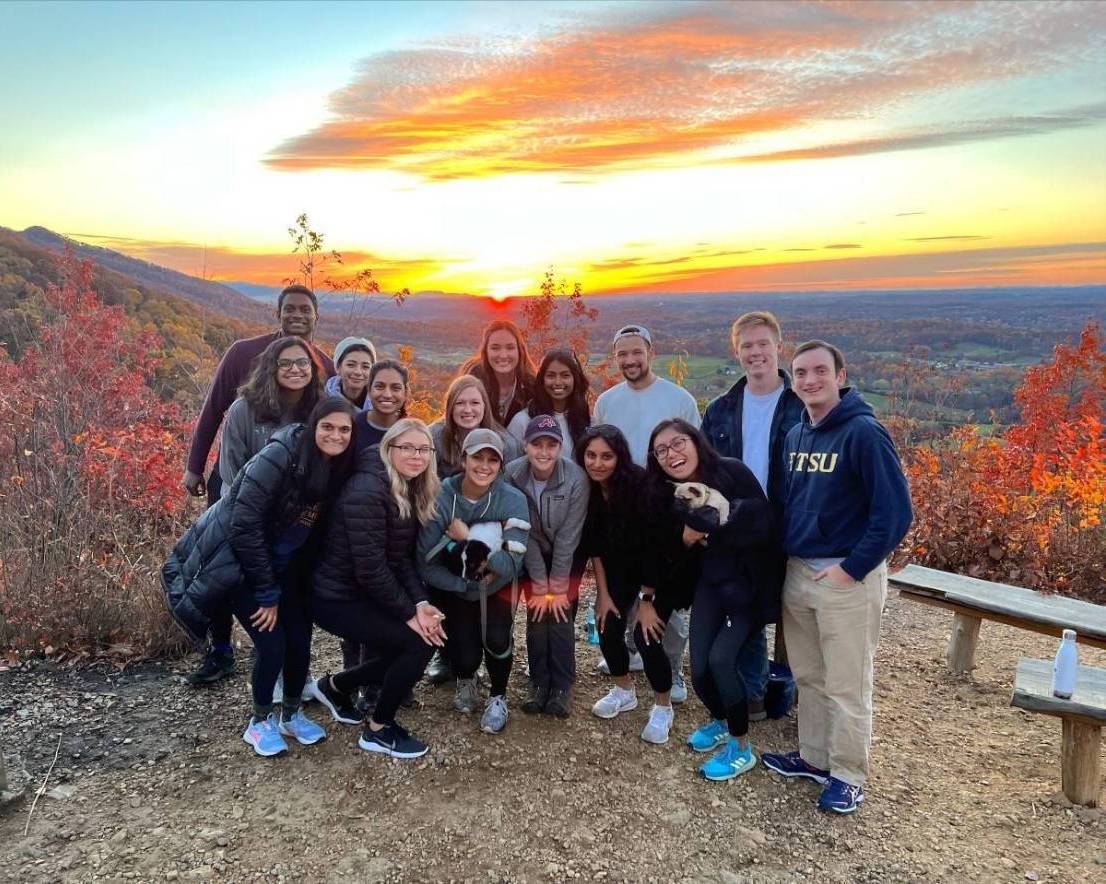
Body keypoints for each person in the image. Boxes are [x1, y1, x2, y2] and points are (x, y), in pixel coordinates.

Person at [762, 341, 912, 814]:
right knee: (809, 674)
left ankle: (848, 774)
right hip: (799, 570)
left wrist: (851, 569)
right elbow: (787, 505)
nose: (809, 380)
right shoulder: (795, 435)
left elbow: (894, 514)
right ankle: (814, 756)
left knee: (848, 682)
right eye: (801, 372)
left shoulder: (864, 434)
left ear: (840, 375)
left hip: (846, 575)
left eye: (819, 371)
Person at [162, 397, 357, 757]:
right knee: (272, 645)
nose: (336, 434)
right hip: (241, 565)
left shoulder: (335, 466)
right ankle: (260, 721)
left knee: (300, 641)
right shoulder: (281, 454)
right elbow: (244, 523)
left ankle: (292, 714)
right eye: (328, 426)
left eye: (344, 429)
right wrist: (266, 593)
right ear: (313, 425)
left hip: (288, 569)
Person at [180, 284, 335, 686]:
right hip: (232, 481)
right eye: (290, 309)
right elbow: (214, 407)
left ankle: (284, 652)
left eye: (305, 309)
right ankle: (220, 650)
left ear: (316, 317)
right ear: (278, 314)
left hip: (290, 499)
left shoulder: (324, 366)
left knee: (284, 566)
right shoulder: (242, 353)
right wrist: (194, 465)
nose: (297, 315)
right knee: (222, 562)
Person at [645, 419, 774, 780]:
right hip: (709, 587)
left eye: (678, 443)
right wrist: (686, 539)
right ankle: (720, 721)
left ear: (696, 442)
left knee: (721, 662)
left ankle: (741, 748)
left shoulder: (731, 472)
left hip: (744, 589)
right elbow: (668, 552)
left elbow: (766, 523)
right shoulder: (671, 497)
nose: (672, 453)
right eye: (662, 450)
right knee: (699, 670)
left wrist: (722, 525)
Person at [309, 419, 446, 758]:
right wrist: (409, 615)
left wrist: (421, 602)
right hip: (334, 597)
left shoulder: (406, 487)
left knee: (420, 636)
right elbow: (370, 569)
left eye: (424, 450)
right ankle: (378, 729)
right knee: (416, 643)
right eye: (407, 448)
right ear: (389, 449)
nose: (416, 456)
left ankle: (335, 687)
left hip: (360, 591)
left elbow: (399, 560)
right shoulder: (368, 490)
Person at [701, 311, 803, 720]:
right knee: (749, 605)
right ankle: (754, 693)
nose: (755, 352)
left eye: (763, 344)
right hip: (739, 524)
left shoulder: (801, 406)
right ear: (737, 351)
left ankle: (790, 687)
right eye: (747, 345)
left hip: (789, 521)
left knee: (791, 610)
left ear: (779, 347)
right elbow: (706, 468)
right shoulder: (722, 408)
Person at [592, 324, 700, 701]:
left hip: (667, 509)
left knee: (665, 597)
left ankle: (672, 670)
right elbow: (600, 454)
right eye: (622, 353)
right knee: (622, 593)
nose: (630, 360)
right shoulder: (606, 402)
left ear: (651, 353)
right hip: (621, 512)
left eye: (636, 352)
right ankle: (634, 656)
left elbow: (694, 457)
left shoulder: (679, 399)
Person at [416, 429, 530, 734]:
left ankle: (498, 695)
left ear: (501, 465)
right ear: (463, 458)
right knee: (463, 653)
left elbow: (509, 564)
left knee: (496, 639)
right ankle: (466, 680)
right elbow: (426, 561)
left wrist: (468, 538)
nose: (484, 465)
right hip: (455, 587)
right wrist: (461, 584)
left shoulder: (513, 500)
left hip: (496, 588)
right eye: (477, 456)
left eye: (493, 459)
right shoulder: (441, 497)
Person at [576, 425, 682, 741]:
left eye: (606, 456)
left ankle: (663, 705)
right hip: (620, 569)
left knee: (646, 635)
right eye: (591, 455)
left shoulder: (642, 487)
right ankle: (624, 690)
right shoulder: (590, 489)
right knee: (608, 625)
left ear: (619, 457)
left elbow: (655, 549)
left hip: (660, 571)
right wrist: (603, 595)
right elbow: (595, 548)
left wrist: (646, 602)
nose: (597, 463)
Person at [505, 415, 589, 717]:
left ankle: (562, 686)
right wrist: (540, 588)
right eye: (536, 444)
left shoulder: (576, 478)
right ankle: (539, 683)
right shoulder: (512, 475)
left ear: (560, 446)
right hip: (532, 548)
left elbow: (568, 538)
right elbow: (521, 530)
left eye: (551, 445)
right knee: (537, 612)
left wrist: (556, 589)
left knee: (560, 612)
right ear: (525, 445)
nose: (543, 452)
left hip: (568, 553)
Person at [218, 336, 325, 494]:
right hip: (245, 504)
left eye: (302, 362)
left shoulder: (321, 409)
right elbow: (231, 472)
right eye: (285, 363)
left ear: (312, 367)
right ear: (270, 368)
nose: (295, 369)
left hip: (298, 507)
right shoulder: (243, 410)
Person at [430, 375, 521, 480]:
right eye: (460, 403)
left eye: (475, 403)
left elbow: (510, 488)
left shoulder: (506, 444)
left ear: (484, 405)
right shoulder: (432, 438)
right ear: (450, 407)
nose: (468, 410)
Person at [507, 348, 591, 454]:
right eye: (551, 376)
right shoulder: (523, 421)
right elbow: (510, 466)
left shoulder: (588, 422)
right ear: (542, 380)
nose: (558, 382)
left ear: (575, 379)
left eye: (565, 375)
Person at [460, 320, 537, 425]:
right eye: (495, 348)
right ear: (485, 351)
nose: (503, 355)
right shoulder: (472, 380)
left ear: (520, 351)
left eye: (510, 348)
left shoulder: (532, 387)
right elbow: (453, 418)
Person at [353, 360, 410, 453]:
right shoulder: (353, 427)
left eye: (396, 388)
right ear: (369, 390)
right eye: (379, 386)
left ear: (405, 393)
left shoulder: (411, 432)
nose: (387, 395)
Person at [326, 336, 377, 412]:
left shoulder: (380, 403)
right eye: (351, 365)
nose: (358, 372)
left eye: (365, 367)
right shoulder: (322, 400)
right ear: (338, 367)